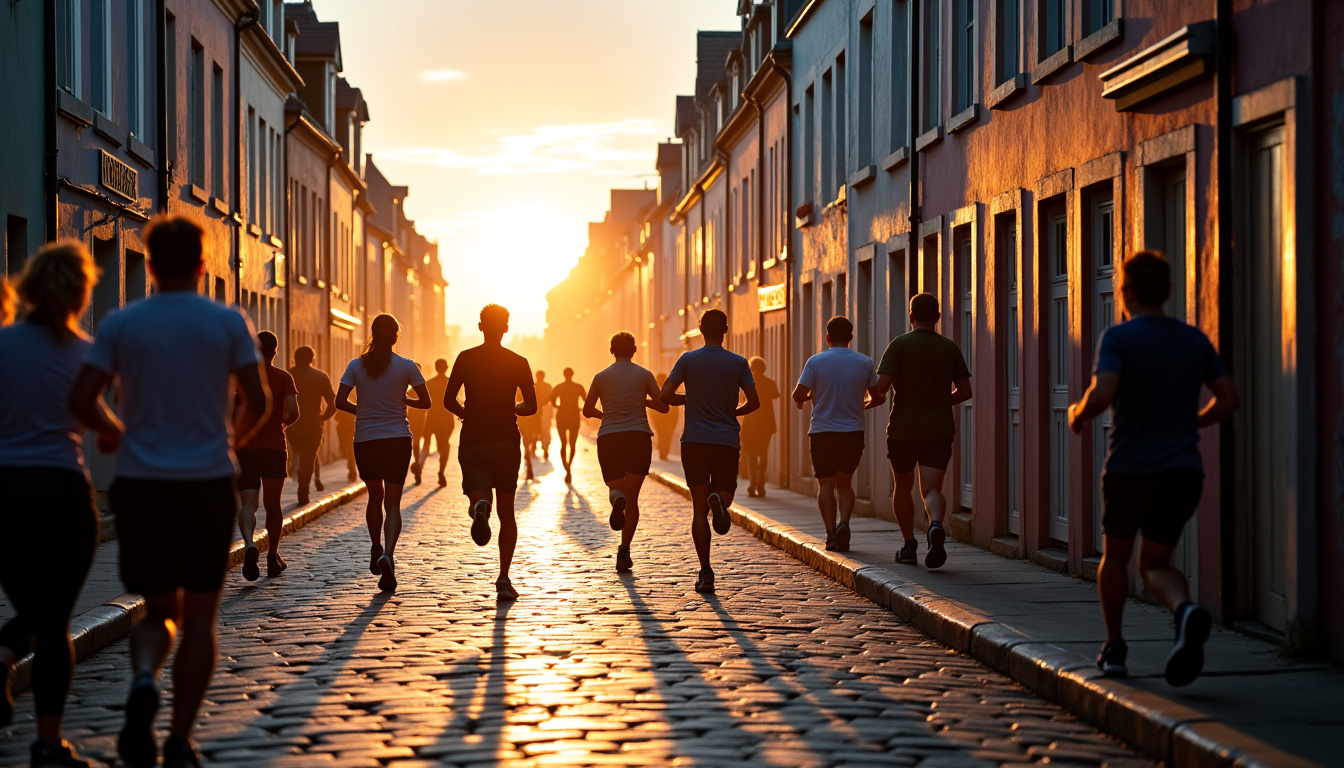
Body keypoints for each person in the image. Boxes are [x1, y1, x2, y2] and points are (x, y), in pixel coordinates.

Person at [69, 216, 271, 768]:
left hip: (142, 486)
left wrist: (117, 431)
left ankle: (142, 678)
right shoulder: (227, 322)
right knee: (200, 618)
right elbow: (258, 399)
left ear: (152, 265)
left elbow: (83, 398)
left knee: (156, 609)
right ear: (203, 266)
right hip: (206, 483)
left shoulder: (122, 323)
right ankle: (180, 739)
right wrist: (229, 442)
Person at [1068, 251, 1239, 686]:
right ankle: (1185, 611)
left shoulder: (1119, 337)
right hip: (1182, 472)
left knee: (1116, 557)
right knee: (1155, 563)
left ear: (1127, 292)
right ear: (1166, 291)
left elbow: (1103, 393)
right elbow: (1228, 399)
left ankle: (1114, 648)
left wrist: (1078, 413)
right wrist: (1191, 422)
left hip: (1130, 469)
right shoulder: (1194, 339)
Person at [0, 242, 104, 767]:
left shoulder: (2, 343)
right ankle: (47, 744)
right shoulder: (87, 352)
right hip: (63, 491)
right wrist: (116, 432)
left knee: (33, 610)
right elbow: (95, 415)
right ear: (81, 293)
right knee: (54, 619)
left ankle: (2, 658)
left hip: (5, 493)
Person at [659, 309, 759, 594]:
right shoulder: (738, 363)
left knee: (698, 510)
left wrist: (690, 398)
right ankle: (721, 499)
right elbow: (754, 402)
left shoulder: (687, 360)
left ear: (700, 330)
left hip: (694, 442)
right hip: (726, 440)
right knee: (725, 494)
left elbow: (665, 396)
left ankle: (705, 571)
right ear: (725, 330)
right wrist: (731, 411)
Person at [444, 304, 536, 601]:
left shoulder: (466, 358)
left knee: (479, 493)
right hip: (506, 440)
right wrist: (511, 407)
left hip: (473, 439)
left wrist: (465, 414)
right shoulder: (518, 362)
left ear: (480, 326)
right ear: (506, 328)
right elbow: (531, 406)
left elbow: (448, 400)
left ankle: (480, 506)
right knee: (507, 513)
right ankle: (504, 578)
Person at [873, 293, 972, 570]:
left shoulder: (899, 345)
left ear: (911, 316)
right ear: (938, 317)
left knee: (903, 487)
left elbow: (881, 387)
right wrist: (940, 400)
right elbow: (965, 391)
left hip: (902, 430)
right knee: (931, 489)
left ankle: (908, 546)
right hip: (938, 430)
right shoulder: (950, 348)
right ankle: (935, 525)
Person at [336, 314, 430, 592]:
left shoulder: (356, 365)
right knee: (393, 502)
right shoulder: (407, 366)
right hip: (397, 439)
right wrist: (405, 399)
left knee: (374, 496)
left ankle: (375, 547)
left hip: (366, 439)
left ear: (372, 334)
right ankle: (389, 554)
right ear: (396, 337)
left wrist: (363, 411)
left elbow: (340, 401)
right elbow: (426, 402)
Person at [793, 316, 885, 553]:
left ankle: (831, 533)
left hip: (822, 432)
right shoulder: (864, 362)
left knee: (825, 485)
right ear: (851, 337)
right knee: (845, 484)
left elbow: (798, 394)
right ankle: (844, 523)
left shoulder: (815, 362)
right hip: (852, 432)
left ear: (828, 338)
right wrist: (861, 405)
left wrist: (809, 397)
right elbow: (878, 397)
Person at [583, 332, 669, 572]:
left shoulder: (601, 377)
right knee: (633, 499)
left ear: (611, 350)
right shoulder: (644, 375)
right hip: (638, 437)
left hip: (610, 438)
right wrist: (644, 400)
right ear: (634, 350)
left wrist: (606, 414)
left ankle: (616, 498)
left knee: (616, 488)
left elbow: (587, 410)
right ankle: (624, 550)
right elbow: (663, 407)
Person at [236, 331, 299, 580]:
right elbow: (294, 411)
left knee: (248, 504)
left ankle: (250, 544)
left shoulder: (242, 376)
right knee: (273, 506)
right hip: (274, 448)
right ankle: (273, 556)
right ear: (275, 352)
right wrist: (281, 423)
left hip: (246, 449)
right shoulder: (284, 377)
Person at [286, 345, 337, 505]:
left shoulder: (288, 376)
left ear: (295, 358)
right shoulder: (320, 377)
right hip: (313, 425)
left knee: (297, 454)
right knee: (308, 458)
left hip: (291, 426)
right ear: (312, 359)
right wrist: (323, 417)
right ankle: (303, 489)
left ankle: (298, 477)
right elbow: (333, 403)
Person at [741, 357, 779, 497]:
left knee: (751, 455)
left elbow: (741, 399)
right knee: (762, 454)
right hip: (765, 424)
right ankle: (760, 482)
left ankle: (753, 483)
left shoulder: (747, 383)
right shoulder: (770, 383)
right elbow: (776, 395)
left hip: (751, 423)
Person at [417, 358, 456, 488]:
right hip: (446, 419)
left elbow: (421, 400)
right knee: (444, 446)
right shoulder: (451, 383)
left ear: (435, 368)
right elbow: (457, 401)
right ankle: (441, 472)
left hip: (431, 418)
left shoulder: (429, 383)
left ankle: (420, 466)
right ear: (447, 368)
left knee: (426, 444)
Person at [551, 367, 586, 485]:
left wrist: (560, 407)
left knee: (563, 444)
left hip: (562, 416)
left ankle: (567, 469)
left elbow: (553, 402)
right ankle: (569, 467)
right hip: (574, 416)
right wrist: (579, 409)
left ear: (564, 374)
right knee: (572, 444)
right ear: (572, 374)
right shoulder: (578, 387)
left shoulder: (559, 387)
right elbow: (586, 400)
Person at [518, 373, 543, 481]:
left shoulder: (519, 390)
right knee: (526, 442)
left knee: (526, 443)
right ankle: (529, 467)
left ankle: (529, 467)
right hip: (527, 420)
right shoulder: (534, 390)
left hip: (527, 420)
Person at [650, 372, 679, 461]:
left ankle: (664, 453)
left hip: (668, 417)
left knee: (666, 435)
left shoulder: (668, 389)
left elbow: (674, 407)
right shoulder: (655, 390)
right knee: (662, 435)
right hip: (659, 418)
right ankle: (663, 453)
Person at [408, 363, 428, 484]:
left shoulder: (411, 390)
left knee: (415, 444)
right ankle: (417, 465)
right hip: (414, 419)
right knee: (415, 444)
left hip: (419, 419)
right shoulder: (418, 389)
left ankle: (417, 465)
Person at [534, 370, 554, 461]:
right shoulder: (533, 386)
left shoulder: (546, 386)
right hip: (535, 412)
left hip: (544, 411)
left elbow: (551, 398)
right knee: (537, 430)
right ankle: (536, 447)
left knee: (544, 430)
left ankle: (545, 449)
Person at [334, 409, 357, 482]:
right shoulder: (355, 408)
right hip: (352, 433)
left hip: (348, 434)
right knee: (351, 453)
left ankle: (352, 471)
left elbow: (336, 418)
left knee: (350, 453)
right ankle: (352, 470)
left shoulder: (344, 408)